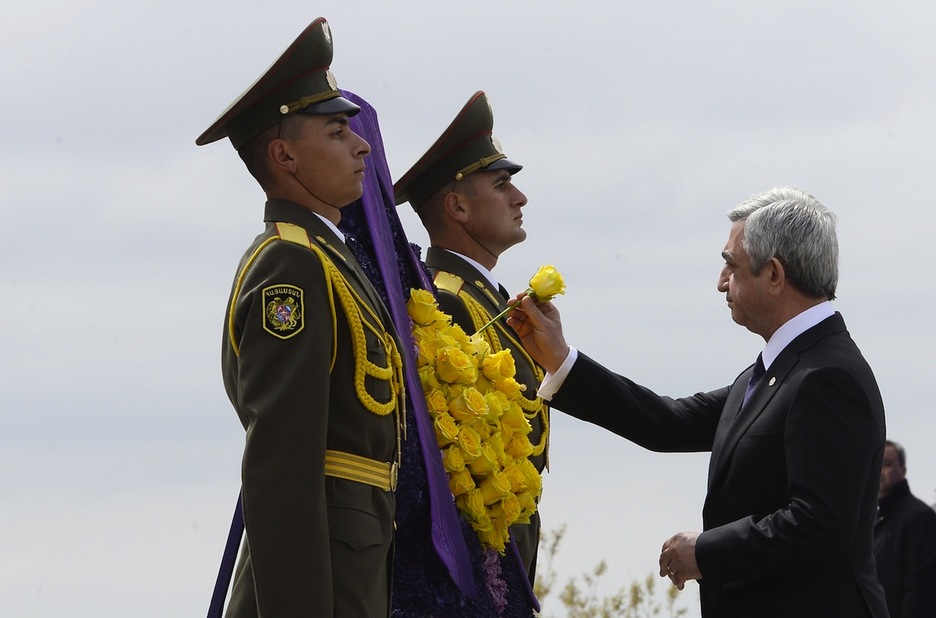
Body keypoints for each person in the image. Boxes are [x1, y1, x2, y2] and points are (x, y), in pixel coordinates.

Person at [507, 186, 889, 617]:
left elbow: (820, 522)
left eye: (731, 266)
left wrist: (704, 551)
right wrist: (559, 359)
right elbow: (665, 422)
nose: (721, 282)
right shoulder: (778, 370)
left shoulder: (827, 376)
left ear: (775, 276)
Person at [196, 19, 404, 617]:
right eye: (337, 132)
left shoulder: (329, 259)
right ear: (283, 154)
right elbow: (282, 467)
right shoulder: (290, 266)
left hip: (354, 569)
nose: (362, 144)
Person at [388, 92, 541, 616]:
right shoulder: (445, 299)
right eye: (502, 185)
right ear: (457, 206)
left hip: (506, 531)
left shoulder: (486, 298)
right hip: (474, 548)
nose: (520, 197)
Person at [874, 439, 936, 617]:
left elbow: (922, 590)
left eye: (886, 464)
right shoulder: (876, 519)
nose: (879, 472)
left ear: (903, 470)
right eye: (875, 463)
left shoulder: (919, 517)